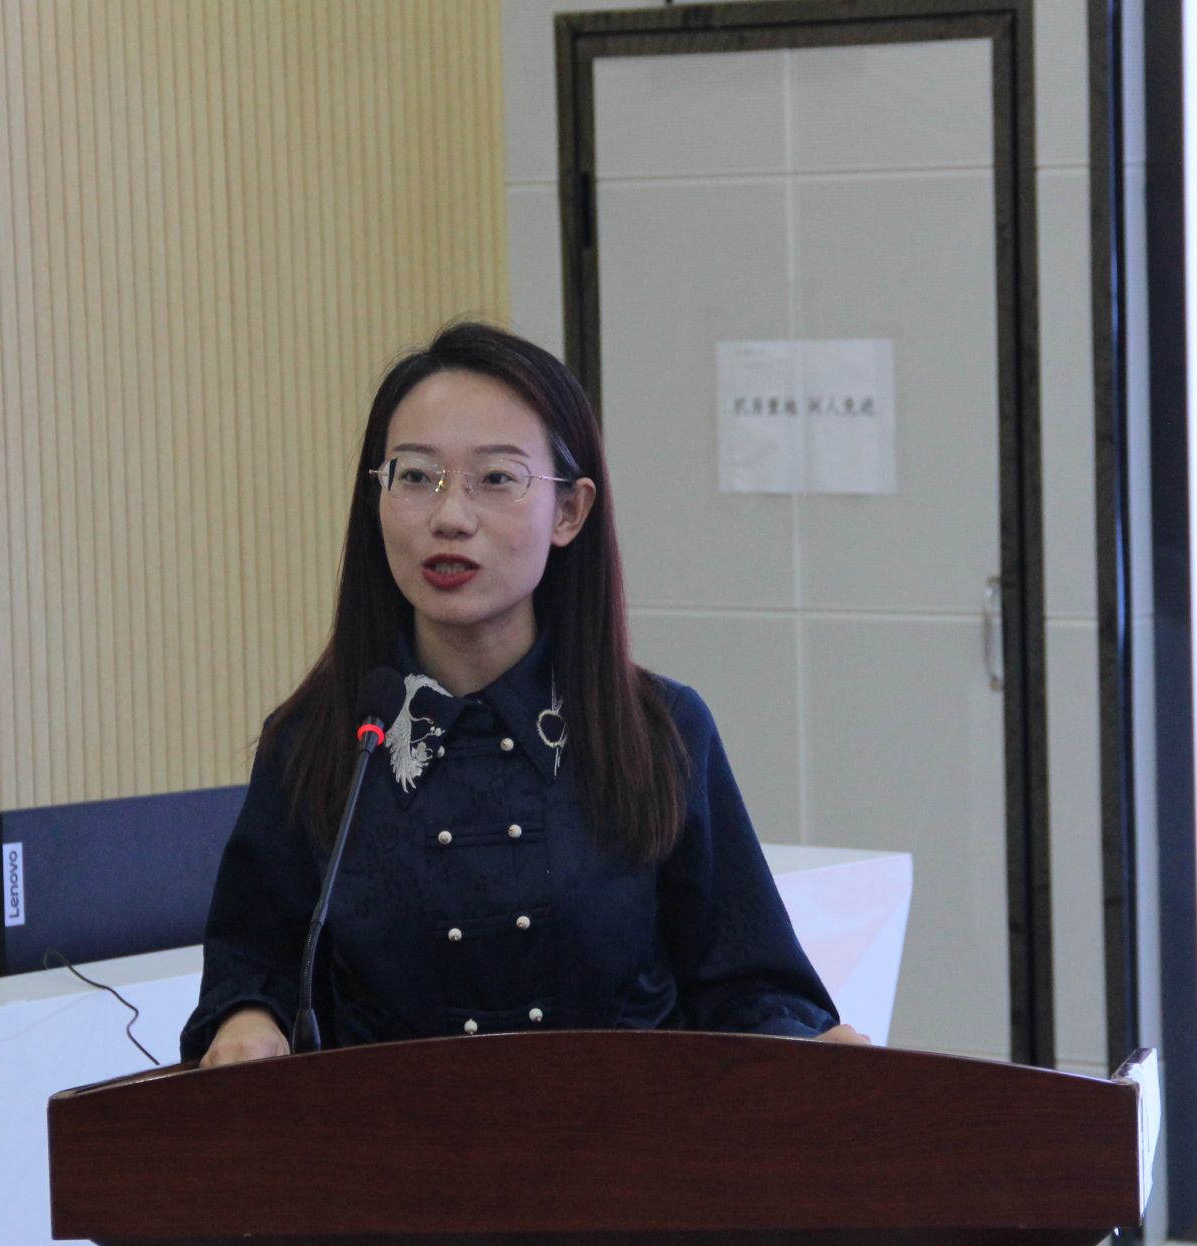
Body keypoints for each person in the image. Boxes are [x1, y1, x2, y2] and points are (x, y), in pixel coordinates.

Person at [182, 321, 869, 1066]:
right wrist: (247, 1023)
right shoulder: (326, 737)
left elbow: (748, 987)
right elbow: (255, 965)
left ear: (569, 511)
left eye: (497, 478)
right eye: (415, 476)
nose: (450, 516)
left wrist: (809, 1043)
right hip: (385, 1141)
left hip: (623, 1137)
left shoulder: (658, 731)